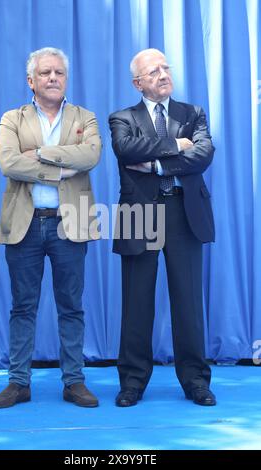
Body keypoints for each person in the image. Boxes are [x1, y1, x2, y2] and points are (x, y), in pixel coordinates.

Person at [0, 47, 101, 409]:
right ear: (31, 81)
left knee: (71, 307)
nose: (53, 78)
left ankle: (74, 382)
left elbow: (91, 156)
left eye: (59, 73)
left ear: (65, 79)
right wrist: (61, 163)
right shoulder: (12, 118)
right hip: (25, 226)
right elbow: (8, 163)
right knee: (23, 307)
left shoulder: (86, 116)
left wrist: (37, 154)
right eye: (45, 73)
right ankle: (18, 383)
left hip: (70, 225)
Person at [109, 48, 216, 407]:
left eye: (165, 67)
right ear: (138, 82)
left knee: (188, 303)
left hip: (185, 215)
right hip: (139, 215)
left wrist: (157, 166)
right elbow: (126, 150)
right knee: (136, 303)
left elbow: (202, 156)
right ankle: (132, 382)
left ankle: (196, 381)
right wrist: (175, 146)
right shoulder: (121, 117)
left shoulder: (193, 113)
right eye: (153, 71)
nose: (163, 74)